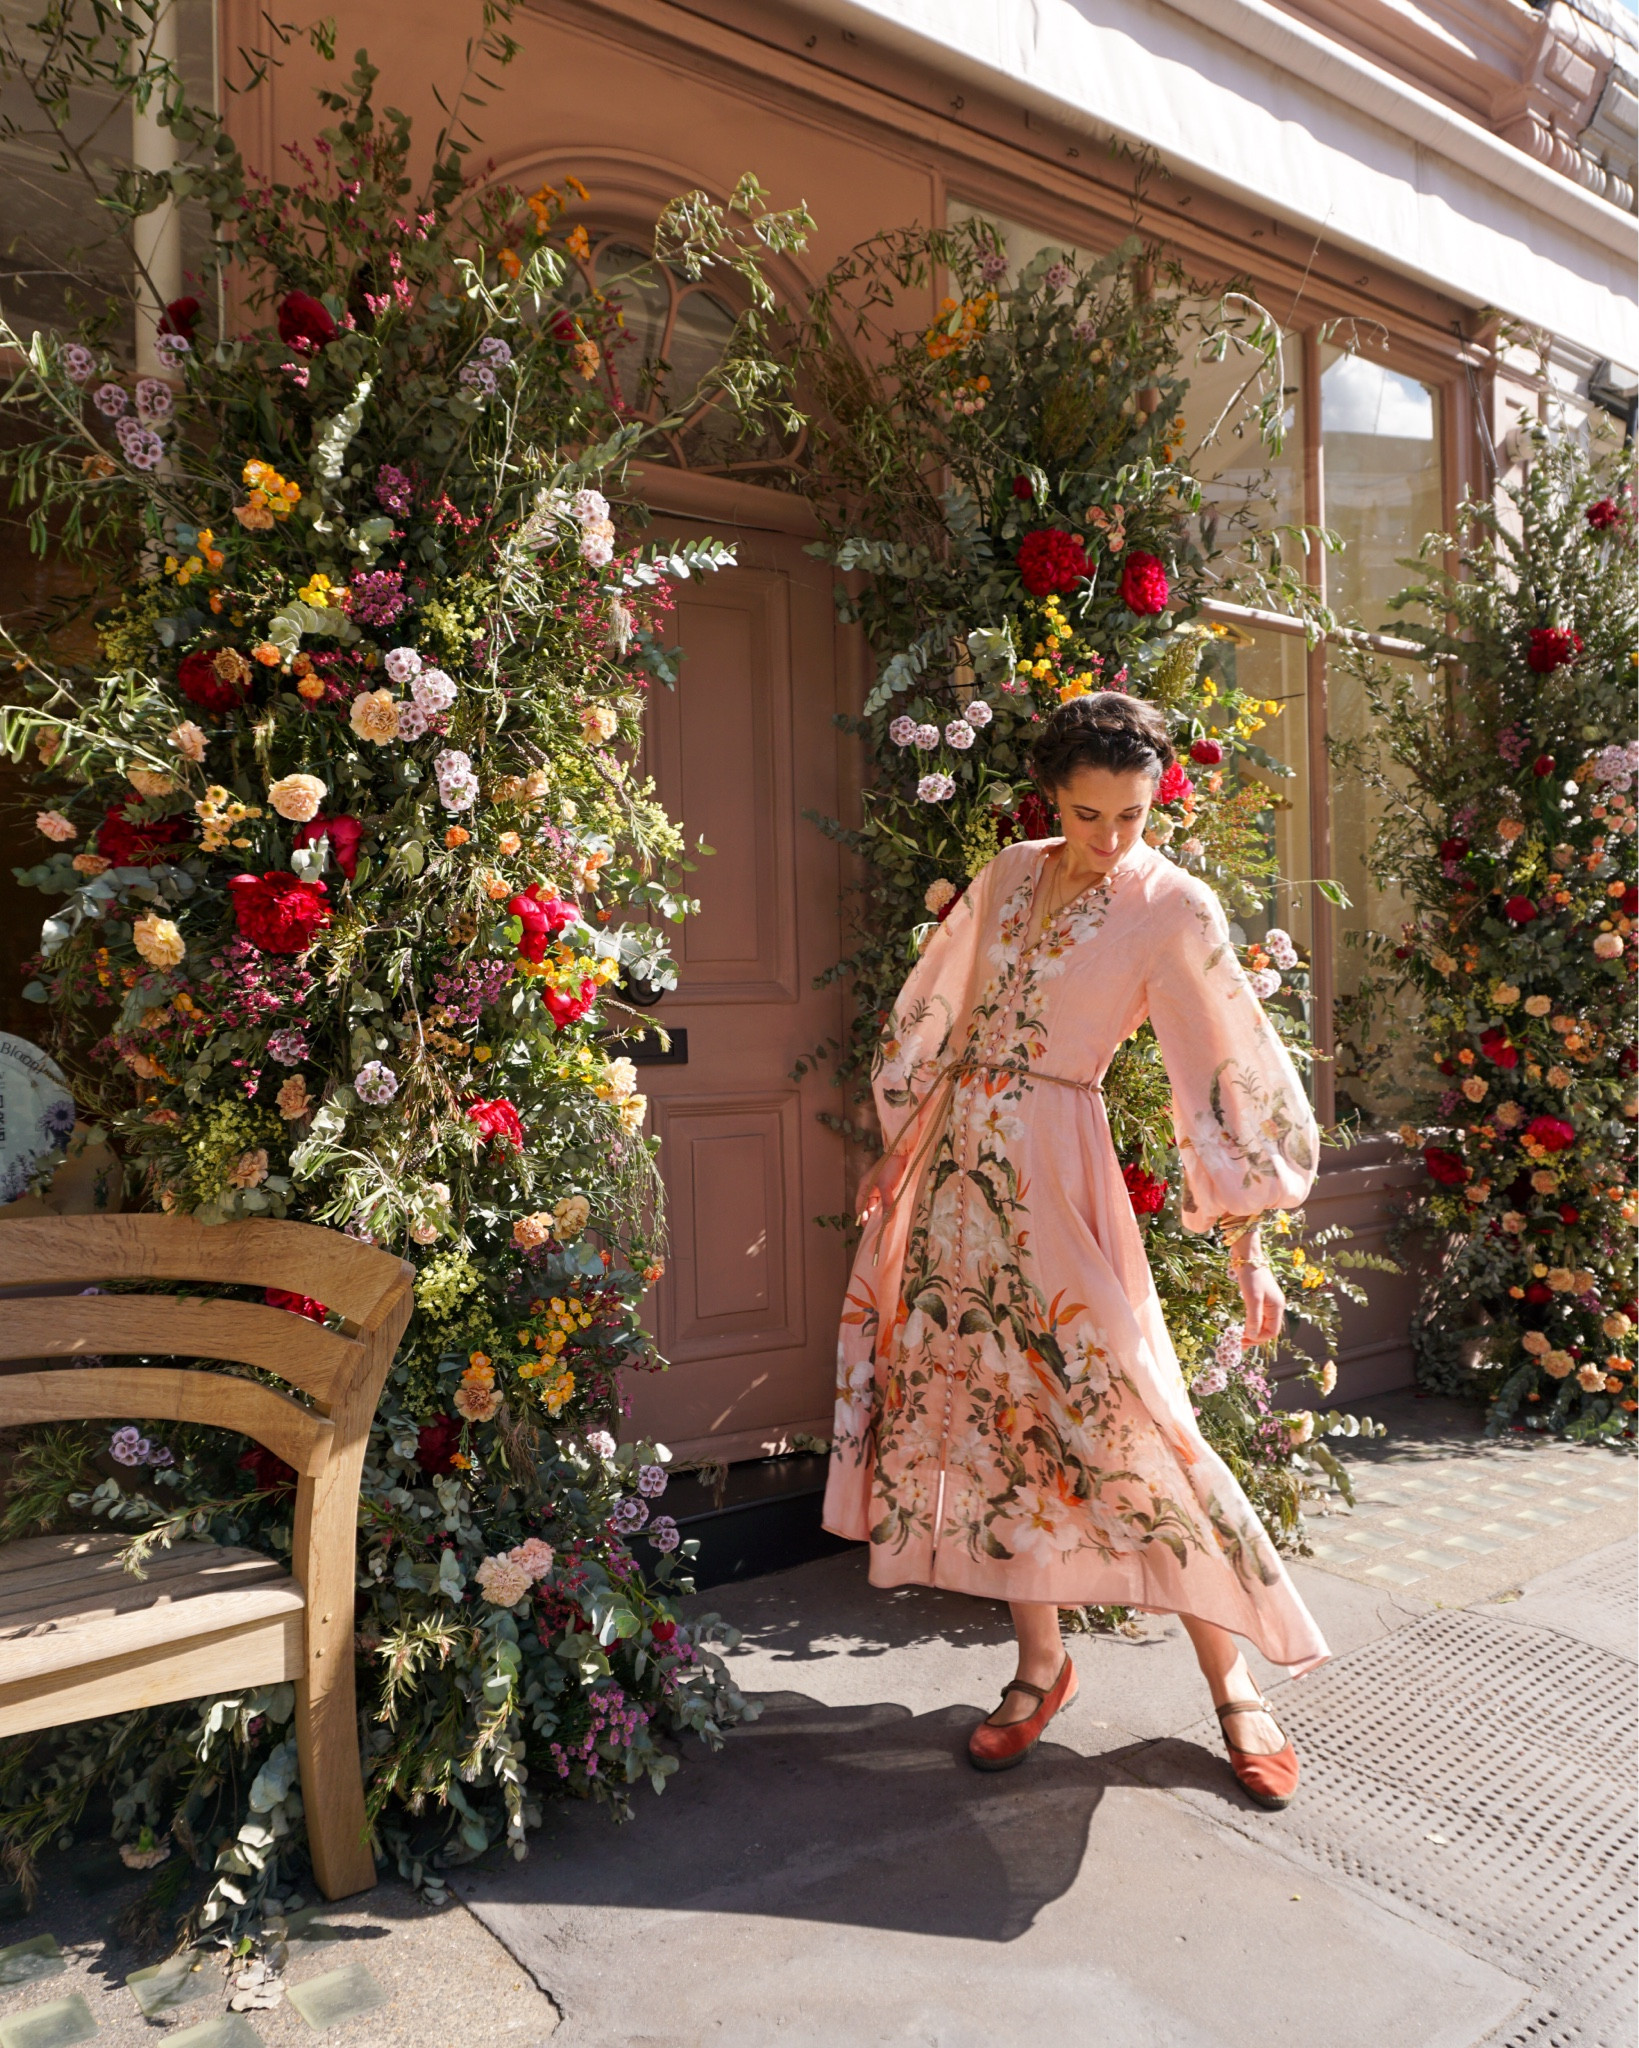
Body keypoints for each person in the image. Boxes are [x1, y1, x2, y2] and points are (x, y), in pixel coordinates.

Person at [822, 691, 1328, 1808]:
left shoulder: (1171, 906)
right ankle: (1039, 1666)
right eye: (1089, 813)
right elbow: (939, 1022)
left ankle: (1232, 1677)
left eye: (1132, 816)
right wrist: (894, 1148)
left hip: (1060, 1172)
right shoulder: (1007, 874)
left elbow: (1226, 1066)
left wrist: (1250, 1242)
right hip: (956, 1180)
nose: (1108, 839)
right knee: (995, 1409)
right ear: (1050, 795)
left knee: (1134, 1412)